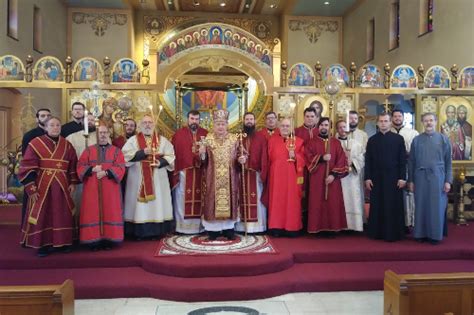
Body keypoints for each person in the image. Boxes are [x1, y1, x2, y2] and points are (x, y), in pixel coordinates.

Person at [18, 116, 78, 257]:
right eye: (52, 125)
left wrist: (73, 182)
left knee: (62, 213)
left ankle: (62, 243)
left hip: (62, 186)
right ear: (45, 127)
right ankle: (42, 245)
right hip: (42, 187)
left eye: (58, 125)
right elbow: (27, 166)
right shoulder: (35, 143)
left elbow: (73, 165)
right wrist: (31, 187)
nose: (55, 127)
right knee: (43, 215)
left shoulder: (67, 144)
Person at [122, 115, 175, 240]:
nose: (147, 125)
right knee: (139, 207)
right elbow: (124, 156)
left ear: (154, 124)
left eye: (150, 122)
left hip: (158, 177)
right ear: (140, 125)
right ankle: (138, 232)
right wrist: (142, 153)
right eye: (144, 122)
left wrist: (160, 162)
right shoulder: (133, 141)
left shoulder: (163, 141)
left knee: (157, 205)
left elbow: (171, 155)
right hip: (137, 178)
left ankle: (157, 232)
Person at [77, 125, 126, 250]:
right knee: (92, 211)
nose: (103, 135)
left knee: (111, 211)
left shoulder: (116, 151)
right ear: (97, 135)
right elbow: (80, 166)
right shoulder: (88, 150)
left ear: (109, 134)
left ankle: (110, 239)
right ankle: (93, 241)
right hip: (92, 189)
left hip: (111, 189)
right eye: (100, 133)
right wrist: (92, 169)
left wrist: (106, 172)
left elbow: (121, 167)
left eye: (105, 132)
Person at [198, 110, 244, 240]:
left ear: (227, 124)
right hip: (212, 177)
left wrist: (242, 159)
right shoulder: (208, 139)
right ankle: (213, 230)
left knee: (230, 200)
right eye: (218, 124)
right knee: (212, 200)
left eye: (223, 124)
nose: (220, 126)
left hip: (231, 177)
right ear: (213, 125)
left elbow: (242, 154)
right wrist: (202, 153)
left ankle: (228, 229)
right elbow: (203, 160)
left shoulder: (234, 139)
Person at [408, 113, 452, 245]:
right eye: (426, 121)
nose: (429, 123)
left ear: (435, 122)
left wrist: (448, 181)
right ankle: (420, 234)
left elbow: (448, 161)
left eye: (431, 120)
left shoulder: (443, 139)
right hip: (420, 176)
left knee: (436, 206)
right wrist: (410, 180)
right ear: (422, 122)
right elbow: (411, 162)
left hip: (438, 177)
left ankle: (435, 235)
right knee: (420, 205)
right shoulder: (416, 140)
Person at [365, 113, 406, 242]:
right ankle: (376, 232)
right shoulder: (372, 140)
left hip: (394, 178)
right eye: (381, 121)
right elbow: (368, 161)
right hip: (376, 178)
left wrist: (402, 177)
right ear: (377, 123)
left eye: (386, 121)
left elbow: (402, 160)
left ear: (390, 123)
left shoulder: (398, 139)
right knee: (377, 205)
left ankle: (394, 233)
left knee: (392, 205)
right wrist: (367, 178)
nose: (383, 123)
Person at [305, 118, 348, 234]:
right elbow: (307, 158)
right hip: (317, 178)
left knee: (333, 203)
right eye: (322, 125)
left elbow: (342, 160)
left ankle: (332, 228)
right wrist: (322, 158)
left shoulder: (335, 142)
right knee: (317, 202)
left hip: (332, 179)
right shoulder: (311, 142)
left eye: (327, 125)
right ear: (318, 127)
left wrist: (333, 175)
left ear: (330, 127)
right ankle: (316, 228)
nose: (324, 127)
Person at [171, 110, 208, 234]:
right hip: (184, 173)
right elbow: (175, 154)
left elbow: (211, 154)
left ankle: (200, 227)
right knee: (182, 198)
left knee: (201, 198)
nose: (194, 121)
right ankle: (183, 227)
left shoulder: (205, 134)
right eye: (192, 119)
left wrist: (203, 155)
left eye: (197, 119)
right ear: (187, 119)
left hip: (201, 173)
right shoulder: (179, 135)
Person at [267, 118, 304, 236]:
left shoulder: (299, 141)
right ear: (279, 127)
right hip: (276, 177)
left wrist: (295, 156)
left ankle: (291, 228)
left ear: (292, 128)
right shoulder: (272, 141)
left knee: (291, 202)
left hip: (292, 177)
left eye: (287, 126)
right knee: (277, 201)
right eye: (282, 126)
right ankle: (276, 228)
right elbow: (268, 158)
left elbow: (304, 160)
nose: (285, 128)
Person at [235, 112, 269, 234]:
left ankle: (257, 227)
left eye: (251, 119)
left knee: (257, 199)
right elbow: (233, 153)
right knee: (241, 199)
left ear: (255, 121)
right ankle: (241, 227)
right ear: (243, 121)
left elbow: (265, 156)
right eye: (247, 119)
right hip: (241, 173)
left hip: (255, 174)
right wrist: (238, 159)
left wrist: (263, 173)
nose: (249, 121)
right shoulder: (238, 137)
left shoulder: (261, 137)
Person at [20, 108, 51, 224]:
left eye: (48, 115)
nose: (46, 117)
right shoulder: (30, 135)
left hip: (51, 175)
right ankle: (28, 231)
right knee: (31, 204)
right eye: (43, 116)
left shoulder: (55, 133)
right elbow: (26, 158)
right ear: (37, 118)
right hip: (35, 175)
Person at [391, 109, 419, 229]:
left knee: (408, 195)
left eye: (399, 116)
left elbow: (417, 151)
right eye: (395, 116)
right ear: (392, 118)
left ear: (403, 118)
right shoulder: (387, 131)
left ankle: (408, 223)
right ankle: (395, 222)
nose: (397, 118)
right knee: (393, 195)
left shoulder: (412, 133)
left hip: (407, 166)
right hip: (392, 168)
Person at [336, 120, 365, 232]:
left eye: (344, 127)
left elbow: (362, 158)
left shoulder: (356, 144)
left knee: (352, 198)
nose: (343, 129)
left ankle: (354, 225)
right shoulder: (333, 143)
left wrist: (352, 162)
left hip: (352, 177)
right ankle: (340, 225)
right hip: (339, 178)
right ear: (337, 130)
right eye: (340, 127)